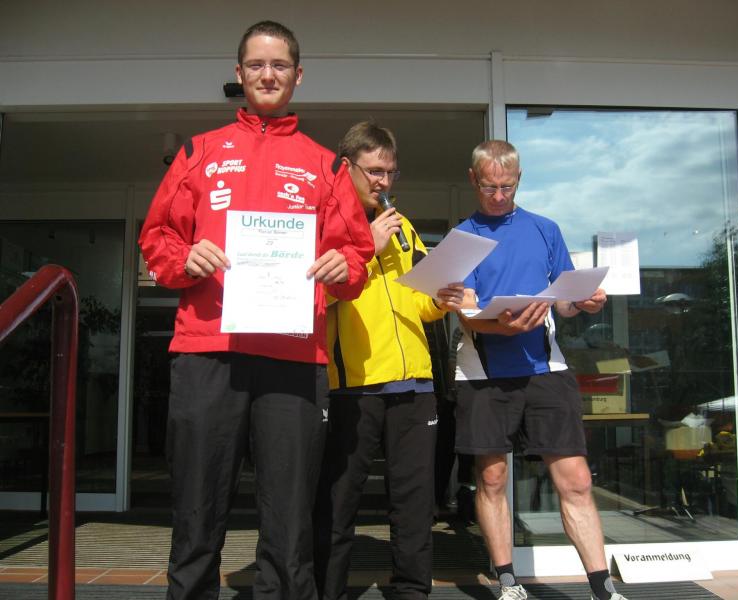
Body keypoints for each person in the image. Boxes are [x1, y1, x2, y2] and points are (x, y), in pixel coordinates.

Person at [138, 21, 374, 600]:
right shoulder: (199, 152)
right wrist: (185, 257)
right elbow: (157, 238)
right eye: (257, 65)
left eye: (280, 65)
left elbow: (357, 255)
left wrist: (344, 266)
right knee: (196, 514)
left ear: (298, 75)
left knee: (290, 525)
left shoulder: (326, 165)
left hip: (293, 358)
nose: (268, 75)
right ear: (239, 72)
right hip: (206, 352)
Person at [453, 140, 628, 600]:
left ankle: (603, 588)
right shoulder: (463, 237)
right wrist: (500, 325)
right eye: (489, 187)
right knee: (492, 478)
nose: (498, 196)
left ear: (519, 179)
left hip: (545, 368)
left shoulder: (545, 229)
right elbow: (465, 312)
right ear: (473, 180)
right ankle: (508, 581)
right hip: (483, 373)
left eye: (507, 187)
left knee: (577, 479)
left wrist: (583, 302)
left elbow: (563, 303)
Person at [313, 121, 464, 600]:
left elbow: (417, 300)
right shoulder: (324, 223)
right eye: (374, 171)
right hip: (352, 386)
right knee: (339, 502)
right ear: (346, 166)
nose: (383, 181)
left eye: (391, 172)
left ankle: (412, 592)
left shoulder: (404, 227)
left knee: (415, 504)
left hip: (415, 384)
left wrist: (440, 299)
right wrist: (365, 247)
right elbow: (312, 297)